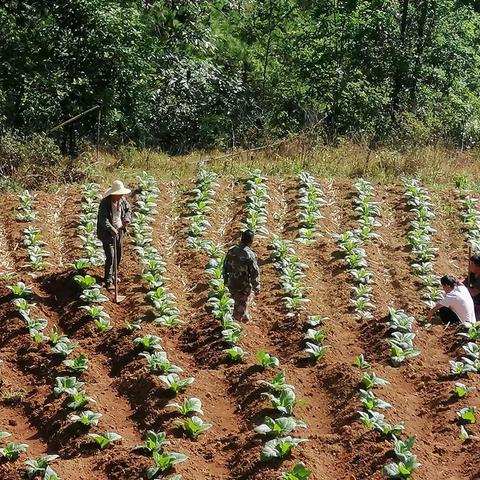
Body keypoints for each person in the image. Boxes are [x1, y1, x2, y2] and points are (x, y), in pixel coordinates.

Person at [96, 180, 131, 291]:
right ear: (113, 194)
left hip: (119, 231)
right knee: (111, 256)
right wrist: (111, 229)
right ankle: (108, 280)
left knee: (119, 254)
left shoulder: (122, 200)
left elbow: (128, 210)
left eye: (121, 194)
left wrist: (126, 220)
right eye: (119, 194)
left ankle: (115, 274)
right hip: (107, 233)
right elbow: (103, 219)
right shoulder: (105, 203)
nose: (121, 195)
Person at [223, 229, 260, 321]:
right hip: (243, 285)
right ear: (251, 241)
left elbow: (225, 266)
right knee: (241, 304)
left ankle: (243, 316)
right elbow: (254, 272)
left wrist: (225, 280)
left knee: (237, 301)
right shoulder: (250, 254)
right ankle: (237, 323)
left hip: (232, 283)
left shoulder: (232, 250)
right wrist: (256, 285)